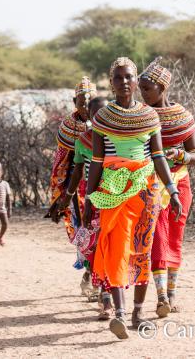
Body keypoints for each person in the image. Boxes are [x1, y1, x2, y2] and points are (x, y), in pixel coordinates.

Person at [83, 57, 182, 339]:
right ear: (111, 82)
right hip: (113, 191)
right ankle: (120, 314)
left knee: (142, 248)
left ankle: (138, 312)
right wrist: (90, 198)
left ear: (136, 80)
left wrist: (171, 191)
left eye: (129, 77)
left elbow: (159, 156)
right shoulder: (103, 118)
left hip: (145, 191)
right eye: (118, 78)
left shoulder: (150, 117)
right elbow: (98, 160)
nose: (124, 82)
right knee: (116, 248)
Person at [139, 58, 195, 318]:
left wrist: (180, 155)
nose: (142, 93)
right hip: (148, 183)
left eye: (147, 89)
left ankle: (171, 293)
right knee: (155, 239)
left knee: (174, 237)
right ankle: (162, 295)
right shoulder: (140, 116)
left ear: (162, 88)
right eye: (140, 88)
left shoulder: (182, 117)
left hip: (179, 183)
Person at [58, 96, 112, 316]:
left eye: (104, 113)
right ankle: (98, 286)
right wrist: (67, 196)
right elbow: (78, 171)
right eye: (95, 113)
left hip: (114, 197)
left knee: (110, 245)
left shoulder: (117, 139)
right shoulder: (83, 141)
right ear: (88, 116)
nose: (99, 117)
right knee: (91, 244)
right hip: (88, 198)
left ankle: (105, 296)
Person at [46, 76, 95, 297]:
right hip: (78, 190)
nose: (85, 108)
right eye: (81, 103)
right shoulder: (68, 127)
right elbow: (62, 164)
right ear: (75, 101)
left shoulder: (106, 122)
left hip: (106, 186)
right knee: (85, 232)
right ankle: (90, 275)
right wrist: (62, 196)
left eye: (89, 103)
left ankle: (94, 278)